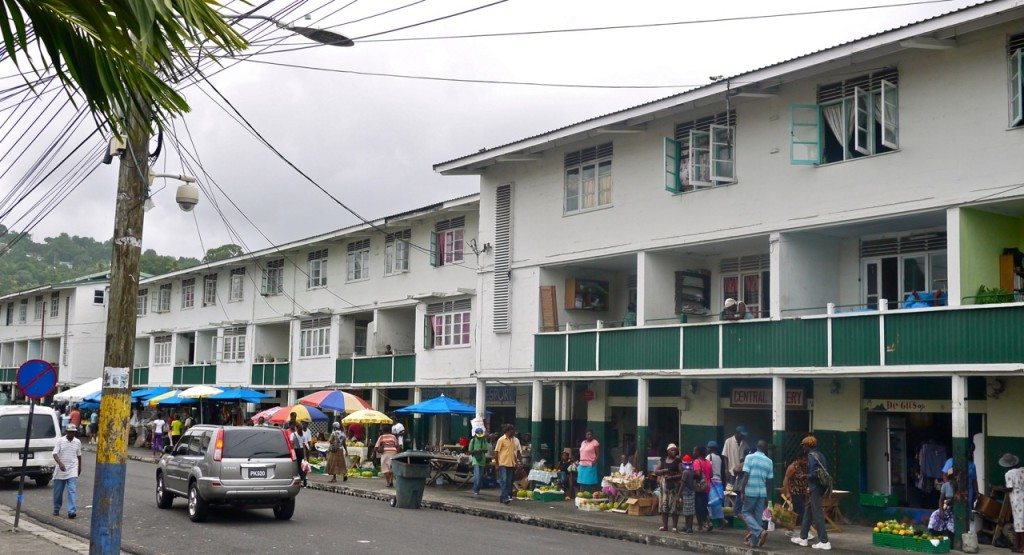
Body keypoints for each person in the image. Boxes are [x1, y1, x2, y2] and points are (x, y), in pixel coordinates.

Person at [792, 435, 831, 550]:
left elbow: (814, 474)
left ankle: (824, 541)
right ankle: (803, 537)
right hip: (820, 487)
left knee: (817, 514)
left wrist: (805, 476)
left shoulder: (811, 456)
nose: (803, 448)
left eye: (803, 445)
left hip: (816, 488)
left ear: (807, 445)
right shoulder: (820, 455)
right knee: (808, 511)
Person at [740, 440, 774, 548]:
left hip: (751, 490)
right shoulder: (769, 461)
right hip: (762, 493)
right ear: (765, 449)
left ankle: (760, 531)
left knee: (746, 512)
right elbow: (769, 482)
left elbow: (746, 475)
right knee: (758, 518)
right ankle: (753, 543)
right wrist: (767, 496)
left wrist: (742, 490)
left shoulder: (749, 458)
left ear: (757, 447)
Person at [52, 424, 83, 519]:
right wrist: (60, 463)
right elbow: (55, 453)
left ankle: (71, 511)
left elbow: (79, 455)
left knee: (72, 490)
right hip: (60, 470)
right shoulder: (60, 441)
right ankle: (56, 508)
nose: (71, 434)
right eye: (70, 432)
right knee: (58, 492)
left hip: (72, 468)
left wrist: (79, 467)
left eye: (73, 432)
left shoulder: (77, 442)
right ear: (66, 432)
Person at [655, 443, 684, 532]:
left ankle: (674, 526)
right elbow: (656, 471)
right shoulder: (663, 460)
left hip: (674, 486)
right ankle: (665, 526)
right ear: (668, 451)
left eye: (675, 450)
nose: (673, 451)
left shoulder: (678, 461)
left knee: (674, 506)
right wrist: (664, 471)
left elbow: (682, 473)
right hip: (664, 486)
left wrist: (672, 477)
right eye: (671, 450)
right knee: (664, 505)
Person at [1000, 453, 1024, 553]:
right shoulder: (1022, 470)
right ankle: (1018, 545)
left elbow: (1010, 488)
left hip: (1016, 500)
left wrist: (1002, 489)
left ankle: (1021, 547)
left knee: (1019, 524)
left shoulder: (1009, 474)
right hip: (1023, 497)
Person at [494, 424, 521, 505]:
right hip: (503, 463)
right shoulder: (501, 440)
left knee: (509, 481)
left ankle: (502, 497)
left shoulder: (513, 440)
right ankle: (505, 498)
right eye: (512, 430)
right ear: (507, 431)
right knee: (504, 480)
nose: (513, 432)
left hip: (511, 463)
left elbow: (514, 453)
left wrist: (516, 462)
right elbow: (496, 452)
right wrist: (497, 464)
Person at [782, 454, 810, 529]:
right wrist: (787, 492)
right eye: (804, 460)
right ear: (798, 459)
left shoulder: (804, 467)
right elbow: (786, 479)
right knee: (801, 511)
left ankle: (793, 529)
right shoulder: (792, 467)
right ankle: (801, 530)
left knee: (798, 512)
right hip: (795, 492)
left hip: (803, 492)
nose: (805, 462)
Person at [706, 440, 727, 529]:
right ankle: (722, 521)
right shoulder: (719, 458)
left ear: (710, 449)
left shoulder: (708, 457)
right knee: (717, 504)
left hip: (712, 482)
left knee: (709, 503)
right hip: (719, 481)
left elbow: (707, 469)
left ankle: (709, 522)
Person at [692, 445, 712, 532]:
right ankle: (708, 521)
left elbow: (697, 474)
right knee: (704, 506)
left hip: (699, 487)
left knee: (698, 507)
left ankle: (700, 526)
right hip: (707, 486)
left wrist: (689, 474)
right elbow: (711, 475)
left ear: (698, 452)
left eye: (694, 451)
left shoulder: (697, 461)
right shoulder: (708, 462)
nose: (693, 452)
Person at [468, 427, 489, 495]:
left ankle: (478, 488)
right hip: (475, 460)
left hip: (482, 460)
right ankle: (475, 489)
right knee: (476, 475)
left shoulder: (484, 440)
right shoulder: (473, 440)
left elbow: (486, 450)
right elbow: (470, 451)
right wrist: (476, 450)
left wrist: (481, 450)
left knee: (480, 476)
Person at [680, 454, 697, 534]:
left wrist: (678, 494)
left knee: (687, 512)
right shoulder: (692, 471)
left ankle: (689, 528)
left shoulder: (685, 472)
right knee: (690, 511)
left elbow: (683, 484)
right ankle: (687, 527)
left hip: (686, 493)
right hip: (692, 492)